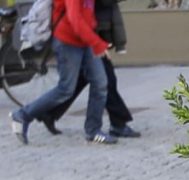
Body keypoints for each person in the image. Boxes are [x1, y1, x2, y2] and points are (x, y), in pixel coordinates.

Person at [9, 0, 118, 144]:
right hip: (68, 42)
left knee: (100, 83)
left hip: (85, 40)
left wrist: (94, 37)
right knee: (66, 89)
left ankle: (93, 130)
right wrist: (97, 43)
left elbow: (87, 12)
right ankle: (22, 115)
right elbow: (75, 19)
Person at [38, 0, 140, 138]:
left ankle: (49, 113)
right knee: (105, 78)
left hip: (95, 27)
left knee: (88, 77)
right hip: (89, 31)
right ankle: (117, 123)